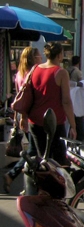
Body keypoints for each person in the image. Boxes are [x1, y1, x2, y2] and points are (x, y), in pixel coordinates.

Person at [23, 42, 76, 171]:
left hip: (35, 121)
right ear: (59, 55)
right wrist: (73, 125)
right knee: (59, 161)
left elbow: (27, 95)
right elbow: (66, 101)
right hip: (54, 122)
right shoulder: (61, 73)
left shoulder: (35, 69)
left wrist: (23, 117)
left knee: (41, 158)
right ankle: (55, 189)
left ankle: (40, 187)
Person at [4, 47, 42, 193]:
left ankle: (28, 184)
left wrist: (16, 117)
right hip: (28, 114)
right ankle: (14, 176)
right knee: (33, 150)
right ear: (33, 58)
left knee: (33, 149)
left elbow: (17, 98)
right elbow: (28, 98)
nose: (41, 58)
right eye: (38, 56)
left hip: (21, 113)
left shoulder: (19, 74)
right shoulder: (31, 74)